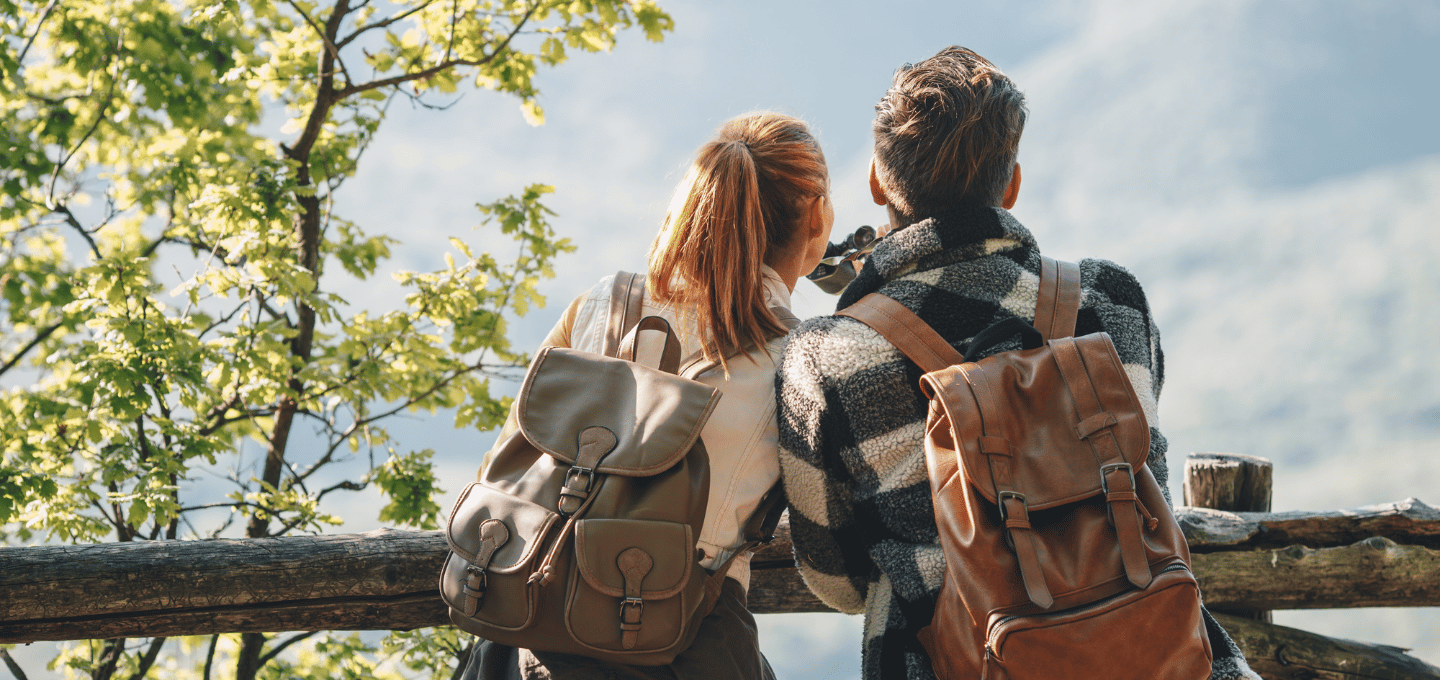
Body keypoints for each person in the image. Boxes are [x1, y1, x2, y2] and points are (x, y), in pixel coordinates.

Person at [775, 47, 1260, 680]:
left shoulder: (827, 353)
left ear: (875, 180)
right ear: (1012, 183)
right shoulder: (1111, 301)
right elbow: (1152, 481)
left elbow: (833, 576)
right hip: (1156, 652)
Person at [459, 111, 834, 680]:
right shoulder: (802, 356)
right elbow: (828, 550)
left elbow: (503, 465)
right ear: (815, 213)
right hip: (684, 650)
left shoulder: (602, 304)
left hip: (527, 639)